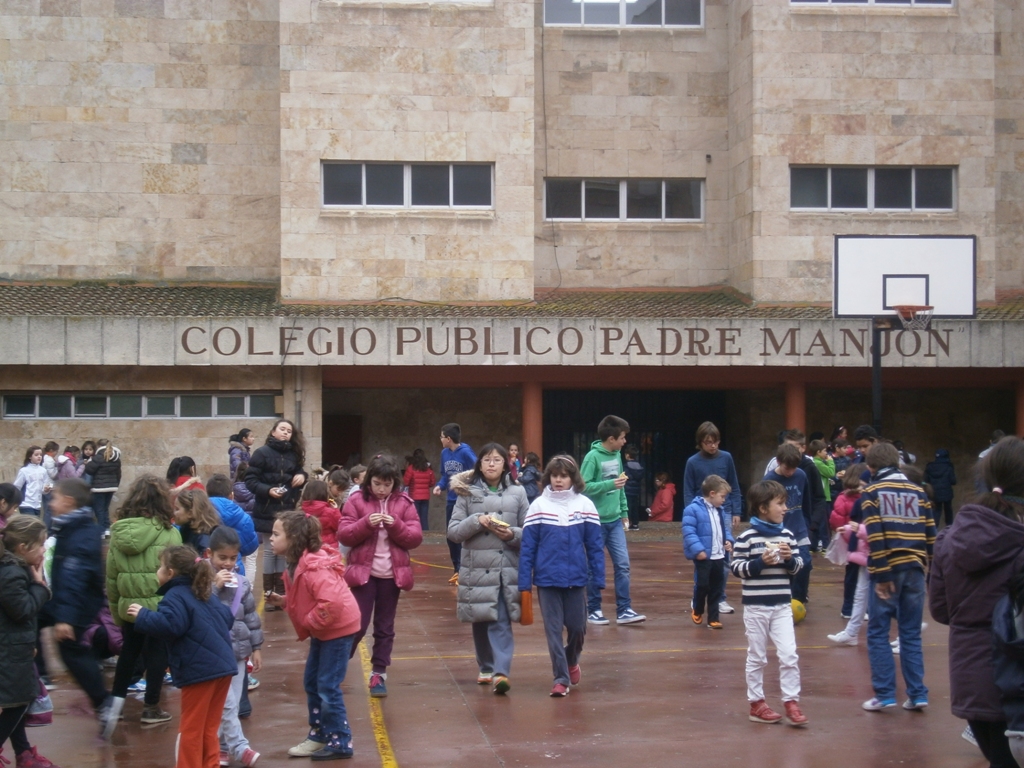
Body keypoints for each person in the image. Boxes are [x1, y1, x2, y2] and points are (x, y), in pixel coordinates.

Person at [930, 436, 1024, 766]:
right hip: (1015, 683)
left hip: (972, 682)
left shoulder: (951, 537)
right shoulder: (1017, 541)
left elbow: (941, 609)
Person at [129, 545, 236, 768]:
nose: (157, 571)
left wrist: (144, 615)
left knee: (191, 728)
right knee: (209, 727)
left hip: (200, 670)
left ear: (170, 574)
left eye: (160, 567)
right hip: (223, 667)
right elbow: (226, 617)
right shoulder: (203, 592)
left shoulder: (175, 595)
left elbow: (171, 625)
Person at [268, 511, 361, 761]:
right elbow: (308, 599)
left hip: (337, 630)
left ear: (294, 538)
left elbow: (330, 604)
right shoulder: (296, 564)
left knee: (327, 686)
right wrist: (285, 601)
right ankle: (319, 733)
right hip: (324, 629)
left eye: (276, 534)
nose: (270, 538)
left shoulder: (313, 567)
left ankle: (340, 740)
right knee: (312, 682)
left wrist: (309, 622)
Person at [518, 455, 605, 697]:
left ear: (573, 478)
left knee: (578, 629)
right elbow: (528, 548)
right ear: (548, 477)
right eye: (555, 475)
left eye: (564, 476)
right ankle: (560, 679)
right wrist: (524, 582)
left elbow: (595, 546)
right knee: (553, 631)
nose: (558, 480)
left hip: (577, 579)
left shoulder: (585, 505)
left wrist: (598, 578)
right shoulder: (538, 507)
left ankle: (571, 660)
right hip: (547, 581)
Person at [447, 443, 529, 694]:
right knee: (480, 620)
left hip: (505, 567)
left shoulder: (518, 492)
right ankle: (485, 666)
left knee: (501, 619)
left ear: (506, 464)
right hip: (476, 568)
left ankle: (501, 672)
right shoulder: (467, 494)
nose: (491, 464)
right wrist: (476, 520)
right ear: (479, 464)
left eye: (497, 460)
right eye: (487, 460)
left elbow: (530, 532)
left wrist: (511, 534)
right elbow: (453, 532)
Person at [339, 454, 423, 699]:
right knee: (356, 624)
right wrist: (366, 523)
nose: (382, 489)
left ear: (394, 483)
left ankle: (379, 673)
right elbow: (344, 534)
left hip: (391, 575)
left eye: (387, 484)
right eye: (377, 483)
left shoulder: (404, 503)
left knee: (385, 627)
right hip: (363, 573)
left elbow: (415, 537)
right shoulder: (356, 500)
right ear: (368, 482)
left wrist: (395, 525)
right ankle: (336, 666)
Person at [103, 475, 182, 736]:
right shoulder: (170, 533)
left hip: (128, 606)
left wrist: (116, 610)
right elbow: (178, 574)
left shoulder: (118, 532)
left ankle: (116, 705)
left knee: (128, 653)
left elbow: (112, 576)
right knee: (158, 654)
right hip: (159, 606)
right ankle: (151, 707)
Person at [861, 442, 935, 712]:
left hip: (888, 569)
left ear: (871, 467)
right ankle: (917, 694)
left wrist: (881, 574)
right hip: (916, 568)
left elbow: (876, 536)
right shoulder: (919, 492)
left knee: (879, 632)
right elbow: (931, 535)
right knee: (911, 633)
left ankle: (885, 694)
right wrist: (932, 572)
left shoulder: (872, 492)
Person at [730, 480, 807, 727]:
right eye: (780, 503)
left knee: (789, 654)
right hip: (756, 607)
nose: (785, 508)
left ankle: (791, 701)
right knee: (757, 656)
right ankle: (757, 703)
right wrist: (760, 562)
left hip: (782, 606)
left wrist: (788, 560)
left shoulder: (787, 535)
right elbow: (737, 569)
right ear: (763, 508)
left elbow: (798, 567)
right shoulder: (747, 538)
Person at [39, 478, 112, 735]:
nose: (52, 502)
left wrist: (65, 618)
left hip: (76, 604)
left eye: (56, 497)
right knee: (33, 616)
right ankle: (39, 674)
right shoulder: (73, 527)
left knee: (71, 651)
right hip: (69, 600)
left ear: (69, 501)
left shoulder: (79, 533)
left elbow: (73, 576)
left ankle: (104, 700)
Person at [0, 515, 59, 768]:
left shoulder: (16, 568)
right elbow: (22, 610)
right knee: (16, 703)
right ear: (23, 548)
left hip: (15, 648)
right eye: (41, 544)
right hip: (8, 652)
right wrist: (40, 587)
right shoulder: (11, 573)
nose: (44, 549)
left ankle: (24, 753)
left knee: (20, 702)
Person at [581, 414, 645, 626]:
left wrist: (624, 511)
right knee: (595, 567)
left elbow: (621, 485)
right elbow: (583, 487)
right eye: (622, 437)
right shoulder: (592, 457)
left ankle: (624, 609)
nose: (624, 441)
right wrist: (609, 485)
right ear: (611, 439)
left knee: (623, 565)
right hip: (595, 522)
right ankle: (594, 609)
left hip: (615, 519)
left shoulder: (617, 455)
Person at [207, 527, 262, 768]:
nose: (227, 564)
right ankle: (239, 747)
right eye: (222, 558)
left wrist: (256, 647)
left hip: (238, 652)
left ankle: (222, 747)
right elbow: (196, 607)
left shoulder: (242, 582)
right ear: (210, 554)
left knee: (234, 701)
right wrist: (213, 587)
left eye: (232, 558)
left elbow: (250, 616)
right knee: (225, 702)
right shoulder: (202, 580)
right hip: (214, 652)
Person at [683, 421, 743, 614]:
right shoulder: (693, 462)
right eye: (708, 442)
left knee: (724, 555)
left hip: (723, 511)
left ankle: (720, 597)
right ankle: (698, 596)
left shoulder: (726, 458)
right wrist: (691, 513)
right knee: (702, 556)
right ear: (700, 442)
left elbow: (733, 484)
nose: (713, 445)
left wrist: (736, 510)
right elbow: (688, 490)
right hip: (701, 513)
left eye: (715, 441)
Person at [246, 419, 307, 602]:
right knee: (269, 551)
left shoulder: (293, 455)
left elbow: (301, 472)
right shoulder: (261, 453)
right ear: (273, 432)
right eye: (282, 429)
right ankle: (268, 593)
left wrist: (301, 476)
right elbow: (250, 480)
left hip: (286, 510)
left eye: (289, 430)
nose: (286, 433)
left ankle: (280, 593)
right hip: (266, 509)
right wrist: (268, 490)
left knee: (283, 551)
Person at [683, 475, 735, 629]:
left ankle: (713, 618)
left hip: (719, 554)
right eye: (722, 496)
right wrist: (698, 549)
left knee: (717, 587)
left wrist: (729, 540)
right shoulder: (692, 509)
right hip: (704, 555)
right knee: (703, 585)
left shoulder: (720, 510)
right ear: (712, 494)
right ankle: (698, 609)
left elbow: (724, 529)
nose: (724, 500)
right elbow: (689, 531)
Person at [764, 444, 812, 605]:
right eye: (786, 468)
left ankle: (799, 599)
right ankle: (785, 599)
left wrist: (807, 524)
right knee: (783, 566)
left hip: (799, 529)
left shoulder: (801, 475)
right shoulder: (769, 480)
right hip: (778, 531)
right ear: (778, 462)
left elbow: (806, 502)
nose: (790, 472)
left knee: (805, 564)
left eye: (793, 468)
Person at [432, 424, 477, 585]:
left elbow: (477, 470)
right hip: (451, 500)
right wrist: (440, 485)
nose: (441, 439)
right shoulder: (444, 453)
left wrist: (468, 487)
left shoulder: (465, 452)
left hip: (465, 500)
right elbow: (445, 475)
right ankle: (457, 569)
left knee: (466, 534)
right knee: (452, 535)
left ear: (448, 439)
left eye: (442, 436)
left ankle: (467, 569)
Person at [829, 464, 867, 622]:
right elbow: (837, 519)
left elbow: (836, 518)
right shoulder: (853, 498)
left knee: (858, 578)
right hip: (858, 542)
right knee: (856, 577)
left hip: (858, 542)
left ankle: (853, 608)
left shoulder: (845, 497)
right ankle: (850, 608)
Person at [206, 474, 259, 577]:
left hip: (207, 569)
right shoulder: (243, 517)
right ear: (231, 495)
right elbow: (251, 546)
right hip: (234, 568)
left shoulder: (199, 512)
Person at [84, 440, 121, 536]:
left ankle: (101, 530)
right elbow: (118, 473)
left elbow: (89, 469)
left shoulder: (99, 457)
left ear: (99, 446)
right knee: (105, 508)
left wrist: (88, 462)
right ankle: (107, 528)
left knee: (99, 509)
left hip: (99, 487)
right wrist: (115, 485)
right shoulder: (116, 458)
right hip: (112, 487)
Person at [174, 488, 222, 555]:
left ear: (190, 513)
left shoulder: (203, 538)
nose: (173, 513)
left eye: (177, 509)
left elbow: (203, 563)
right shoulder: (187, 529)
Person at [402, 449, 435, 532]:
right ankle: (427, 536)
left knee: (415, 517)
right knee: (424, 518)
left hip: (414, 496)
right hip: (425, 497)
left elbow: (406, 482)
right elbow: (432, 482)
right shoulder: (428, 468)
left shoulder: (411, 468)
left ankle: (416, 533)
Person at [302, 479, 341, 548]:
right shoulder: (330, 512)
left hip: (306, 546)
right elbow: (340, 526)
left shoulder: (301, 510)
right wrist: (336, 510)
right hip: (327, 547)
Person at [925, 449, 957, 527]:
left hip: (934, 493)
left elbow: (925, 481)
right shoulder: (949, 466)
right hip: (947, 494)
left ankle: (934, 531)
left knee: (936, 511)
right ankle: (949, 530)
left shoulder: (929, 467)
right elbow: (953, 481)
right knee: (948, 511)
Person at [13, 446, 47, 518]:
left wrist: (46, 489)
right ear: (30, 456)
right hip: (26, 504)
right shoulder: (24, 470)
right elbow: (17, 486)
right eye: (36, 455)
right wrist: (16, 501)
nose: (39, 457)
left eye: (40, 455)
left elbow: (43, 488)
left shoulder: (43, 470)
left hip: (37, 504)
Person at [622, 445, 644, 531]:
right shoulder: (639, 466)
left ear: (627, 455)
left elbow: (625, 476)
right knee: (635, 506)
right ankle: (635, 524)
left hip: (628, 489)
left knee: (628, 507)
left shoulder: (626, 466)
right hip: (636, 490)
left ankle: (628, 523)